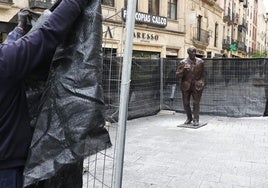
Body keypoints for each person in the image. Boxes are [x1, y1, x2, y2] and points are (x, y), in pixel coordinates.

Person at [0, 0, 90, 187]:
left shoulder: (6, 60)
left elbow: (11, 54)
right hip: (6, 171)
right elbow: (47, 34)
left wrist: (18, 30)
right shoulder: (5, 61)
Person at [176, 46, 205, 126]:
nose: (194, 53)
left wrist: (202, 83)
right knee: (186, 103)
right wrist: (183, 70)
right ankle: (189, 118)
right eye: (192, 52)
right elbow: (177, 75)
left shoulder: (200, 62)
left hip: (197, 85)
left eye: (195, 51)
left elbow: (204, 74)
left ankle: (196, 119)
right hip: (186, 85)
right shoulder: (183, 62)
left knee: (196, 103)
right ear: (188, 53)